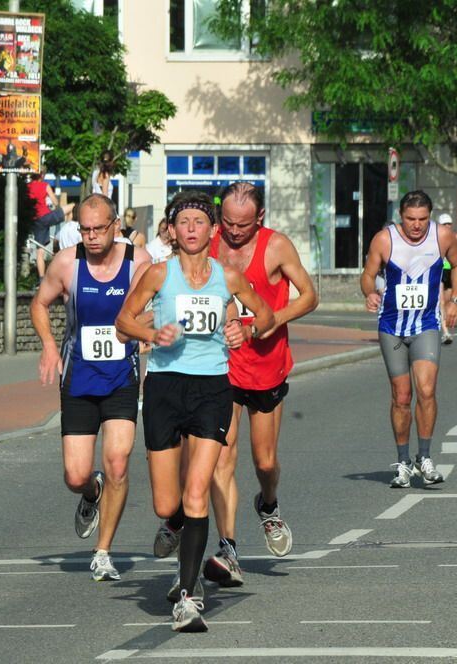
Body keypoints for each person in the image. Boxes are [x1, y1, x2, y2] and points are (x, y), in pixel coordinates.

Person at [116, 190, 274, 632]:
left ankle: (187, 597)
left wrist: (244, 328)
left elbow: (265, 315)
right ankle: (177, 527)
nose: (190, 229)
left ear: (211, 230)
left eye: (199, 222)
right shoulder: (157, 275)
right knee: (169, 503)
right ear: (171, 229)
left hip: (212, 389)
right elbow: (123, 322)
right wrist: (150, 332)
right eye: (182, 221)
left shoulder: (228, 277)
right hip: (165, 388)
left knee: (197, 491)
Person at [172, 181, 317, 590]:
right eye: (228, 223)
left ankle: (268, 506)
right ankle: (228, 547)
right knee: (222, 458)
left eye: (242, 225)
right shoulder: (210, 242)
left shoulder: (276, 247)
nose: (233, 232)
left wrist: (269, 319)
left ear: (260, 219)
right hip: (221, 366)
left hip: (267, 365)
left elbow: (310, 296)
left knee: (265, 462)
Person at [30, 194, 151, 582]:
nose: (93, 236)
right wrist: (50, 345)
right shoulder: (67, 262)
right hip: (79, 379)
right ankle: (91, 491)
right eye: (85, 229)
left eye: (100, 228)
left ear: (116, 226)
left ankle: (103, 551)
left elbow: (159, 302)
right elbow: (39, 303)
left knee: (118, 461)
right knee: (74, 475)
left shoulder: (139, 263)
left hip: (121, 377)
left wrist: (144, 328)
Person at [360, 190, 457, 489]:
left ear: (429, 216)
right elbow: (368, 275)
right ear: (400, 217)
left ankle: (425, 457)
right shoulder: (384, 239)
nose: (416, 225)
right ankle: (404, 462)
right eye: (410, 219)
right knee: (401, 396)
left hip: (426, 324)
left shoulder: (442, 236)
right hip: (392, 326)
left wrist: (456, 299)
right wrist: (369, 292)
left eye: (422, 219)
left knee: (427, 389)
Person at [27, 169, 75, 281]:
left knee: (40, 251)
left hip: (36, 220)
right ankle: (68, 229)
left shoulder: (28, 187)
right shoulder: (45, 185)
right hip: (47, 217)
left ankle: (41, 279)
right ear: (41, 175)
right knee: (73, 206)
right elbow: (55, 202)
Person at [437, 214, 457, 344]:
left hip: (450, 271)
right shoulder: (435, 238)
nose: (448, 226)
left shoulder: (456, 238)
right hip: (440, 270)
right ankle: (445, 332)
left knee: (448, 300)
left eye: (449, 224)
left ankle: (442, 324)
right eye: (445, 224)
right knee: (441, 302)